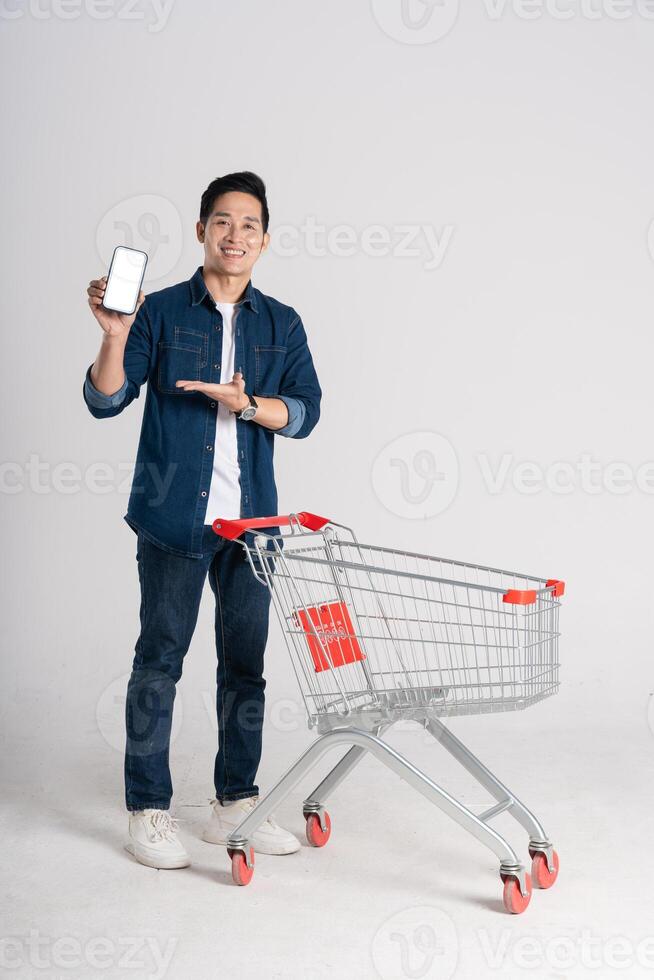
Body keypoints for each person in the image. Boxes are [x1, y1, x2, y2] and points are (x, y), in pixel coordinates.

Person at [83, 171, 322, 869]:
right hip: (172, 521)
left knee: (245, 669)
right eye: (222, 221)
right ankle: (149, 810)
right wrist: (116, 335)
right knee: (159, 662)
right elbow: (105, 400)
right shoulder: (157, 312)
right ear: (200, 232)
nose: (235, 235)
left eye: (249, 224)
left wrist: (246, 405)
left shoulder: (282, 323)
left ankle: (233, 804)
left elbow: (305, 413)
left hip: (252, 529)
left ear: (265, 240)